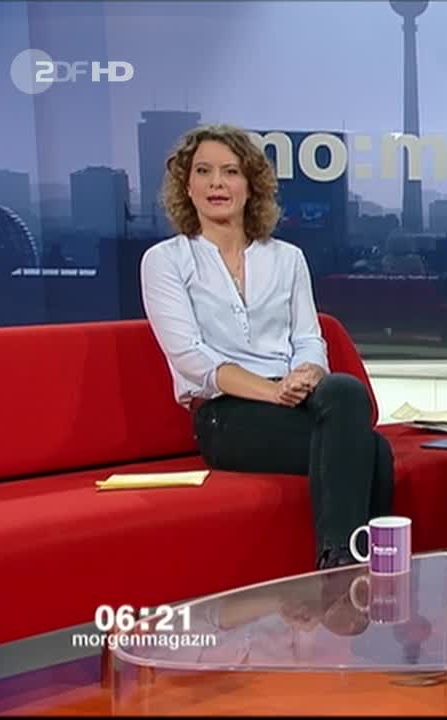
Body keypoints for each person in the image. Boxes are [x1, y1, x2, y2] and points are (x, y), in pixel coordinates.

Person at [141, 124, 394, 570]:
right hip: (225, 414)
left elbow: (308, 339)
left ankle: (342, 565)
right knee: (374, 452)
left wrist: (307, 374)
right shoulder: (166, 260)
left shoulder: (287, 258)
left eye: (230, 172)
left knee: (346, 390)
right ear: (187, 185)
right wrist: (272, 391)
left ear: (250, 184)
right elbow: (192, 358)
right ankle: (352, 569)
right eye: (203, 171)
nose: (217, 183)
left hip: (292, 400)